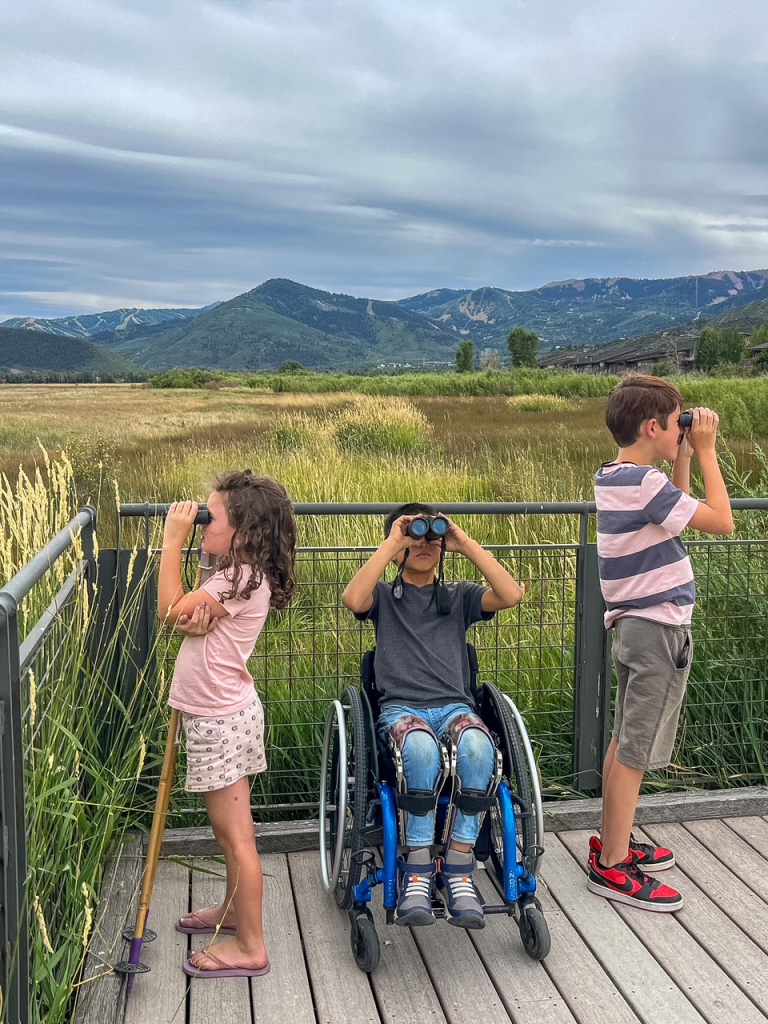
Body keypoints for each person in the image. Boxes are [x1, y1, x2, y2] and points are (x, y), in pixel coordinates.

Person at [342, 503, 523, 929]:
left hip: (454, 708)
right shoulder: (385, 599)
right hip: (401, 711)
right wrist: (392, 544)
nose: (425, 544)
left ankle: (459, 867)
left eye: (432, 537)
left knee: (479, 746)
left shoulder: (459, 597)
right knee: (420, 749)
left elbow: (511, 595)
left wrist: (463, 543)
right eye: (415, 537)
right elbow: (353, 598)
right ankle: (419, 868)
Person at [589, 375, 733, 911]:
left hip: (635, 627)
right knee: (636, 751)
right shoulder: (644, 485)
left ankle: (613, 843)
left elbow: (674, 511)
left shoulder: (616, 477)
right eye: (677, 425)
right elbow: (719, 519)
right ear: (653, 427)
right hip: (657, 630)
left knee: (624, 740)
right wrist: (709, 450)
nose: (685, 431)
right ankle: (612, 868)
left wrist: (684, 456)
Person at [159, 471, 297, 977]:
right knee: (228, 831)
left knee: (236, 836)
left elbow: (170, 609)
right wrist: (196, 596)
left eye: (208, 518)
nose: (200, 523)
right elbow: (192, 609)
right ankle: (235, 911)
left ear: (242, 533)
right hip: (225, 713)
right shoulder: (240, 575)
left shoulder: (236, 578)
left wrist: (172, 542)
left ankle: (251, 945)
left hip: (219, 719)